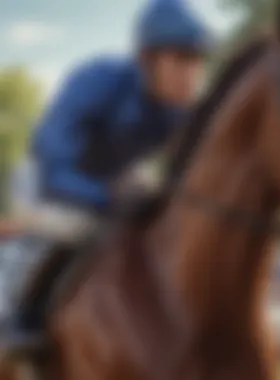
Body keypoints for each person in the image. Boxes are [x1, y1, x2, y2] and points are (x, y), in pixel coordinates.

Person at [1, 0, 211, 353]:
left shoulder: (181, 111)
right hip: (43, 179)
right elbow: (55, 166)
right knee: (73, 225)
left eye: (197, 61)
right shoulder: (97, 81)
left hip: (113, 177)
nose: (191, 75)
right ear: (148, 59)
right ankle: (20, 315)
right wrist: (107, 199)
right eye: (181, 60)